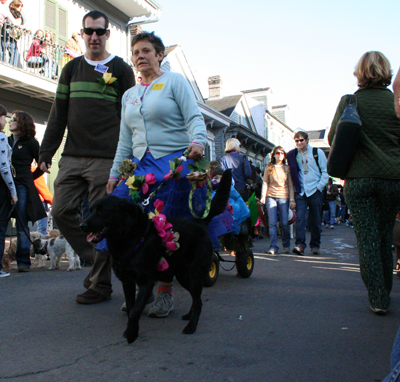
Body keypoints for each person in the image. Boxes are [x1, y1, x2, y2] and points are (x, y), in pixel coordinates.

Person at [106, 31, 207, 318]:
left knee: (166, 229)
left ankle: (164, 293)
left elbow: (194, 118)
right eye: (136, 52)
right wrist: (115, 174)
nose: (140, 56)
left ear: (159, 55)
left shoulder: (174, 82)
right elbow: (125, 141)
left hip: (172, 165)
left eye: (147, 50)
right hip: (139, 167)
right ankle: (142, 286)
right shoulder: (129, 95)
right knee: (125, 220)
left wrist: (198, 142)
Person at [39, 10, 135, 304]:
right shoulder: (71, 70)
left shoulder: (120, 70)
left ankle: (100, 286)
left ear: (107, 35)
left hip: (106, 158)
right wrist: (45, 153)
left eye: (100, 32)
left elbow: (131, 116)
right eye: (89, 31)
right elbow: (58, 114)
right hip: (72, 155)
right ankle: (97, 258)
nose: (94, 37)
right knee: (60, 211)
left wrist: (128, 157)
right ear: (82, 35)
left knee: (100, 220)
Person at [328, 51, 400, 314]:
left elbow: (333, 138)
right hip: (393, 179)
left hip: (359, 180)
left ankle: (378, 297)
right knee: (383, 237)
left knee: (367, 239)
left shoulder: (350, 102)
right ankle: (385, 290)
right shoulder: (396, 102)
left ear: (360, 72)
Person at [3, 111, 46, 272]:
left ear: (22, 123)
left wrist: (29, 177)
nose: (10, 122)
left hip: (21, 185)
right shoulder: (5, 141)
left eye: (13, 120)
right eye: (9, 119)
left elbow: (42, 165)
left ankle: (23, 261)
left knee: (21, 223)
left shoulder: (31, 143)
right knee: (3, 222)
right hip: (5, 185)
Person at [287, 131, 329, 256]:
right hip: (301, 190)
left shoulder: (317, 153)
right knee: (300, 218)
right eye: (297, 141)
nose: (299, 143)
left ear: (307, 140)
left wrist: (319, 187)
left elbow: (325, 171)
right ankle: (300, 245)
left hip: (314, 190)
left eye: (301, 140)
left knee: (315, 219)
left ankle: (315, 245)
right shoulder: (294, 154)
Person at [260, 146, 295, 255]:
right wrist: (263, 196)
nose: (280, 155)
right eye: (277, 153)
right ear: (274, 155)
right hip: (271, 196)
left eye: (282, 153)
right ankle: (273, 246)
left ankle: (286, 245)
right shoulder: (269, 167)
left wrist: (292, 199)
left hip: (284, 196)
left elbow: (290, 184)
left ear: (284, 155)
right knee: (272, 223)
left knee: (284, 223)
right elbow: (265, 182)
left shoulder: (287, 168)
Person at [0, 104, 17, 277]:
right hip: (1, 189)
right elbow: (4, 167)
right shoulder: (2, 138)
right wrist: (13, 191)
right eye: (4, 116)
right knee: (0, 228)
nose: (5, 120)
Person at [220, 137, 252, 202]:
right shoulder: (243, 157)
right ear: (237, 146)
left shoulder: (223, 159)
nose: (240, 147)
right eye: (240, 146)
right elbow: (248, 174)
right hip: (241, 188)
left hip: (229, 189)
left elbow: (223, 174)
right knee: (243, 209)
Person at [32, 166, 53, 235]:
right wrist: (53, 202)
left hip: (32, 200)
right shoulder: (35, 171)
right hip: (40, 202)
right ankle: (40, 244)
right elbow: (43, 189)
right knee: (42, 229)